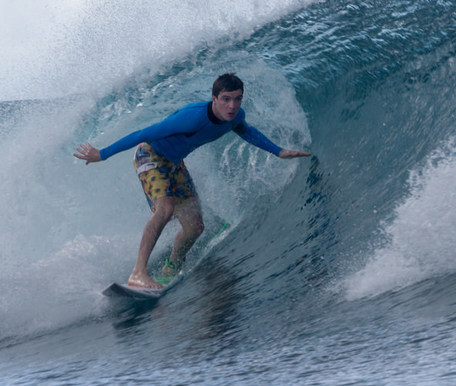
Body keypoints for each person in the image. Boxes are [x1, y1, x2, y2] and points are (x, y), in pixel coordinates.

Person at [74, 72, 311, 290]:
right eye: (226, 99)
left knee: (195, 228)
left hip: (175, 163)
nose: (232, 106)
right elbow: (143, 134)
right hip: (150, 156)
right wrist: (102, 154)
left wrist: (278, 151)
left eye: (237, 99)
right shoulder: (192, 117)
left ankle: (172, 266)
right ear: (214, 98)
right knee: (165, 210)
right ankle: (138, 273)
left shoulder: (235, 116)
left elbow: (245, 130)